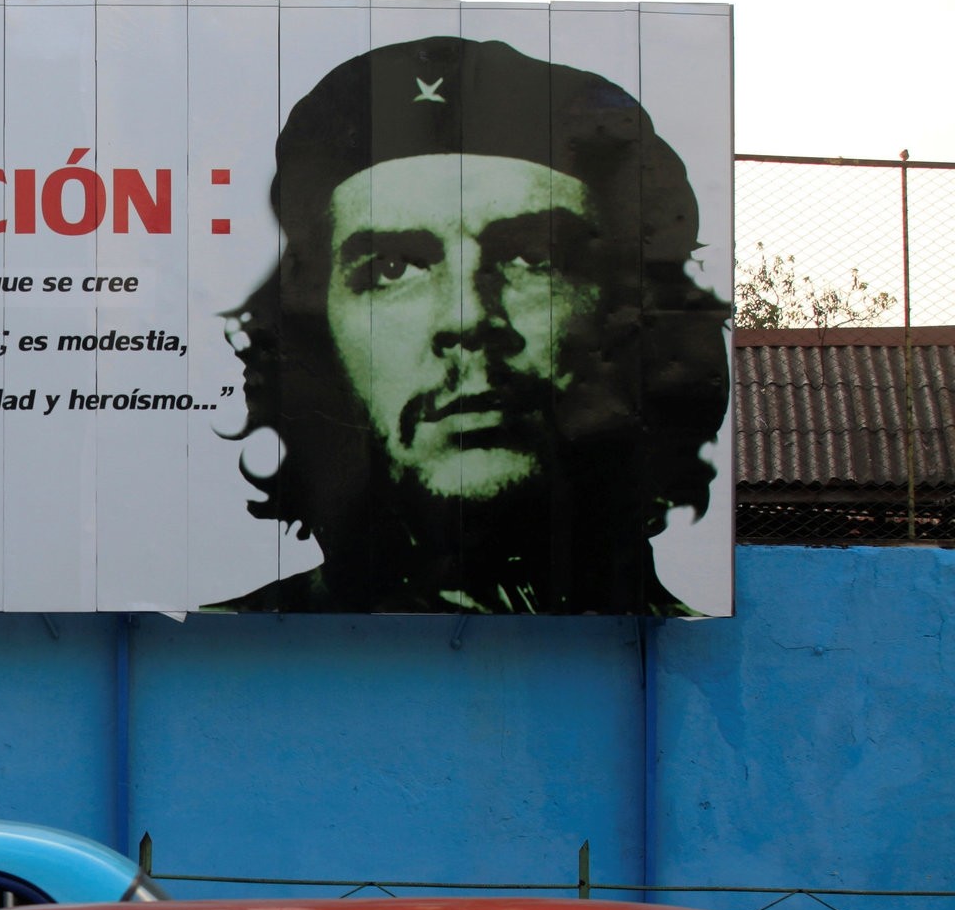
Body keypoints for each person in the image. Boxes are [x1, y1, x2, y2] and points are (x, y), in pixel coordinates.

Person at [215, 35, 731, 615]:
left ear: (636, 318)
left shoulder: (683, 650)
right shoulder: (223, 647)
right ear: (313, 337)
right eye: (392, 269)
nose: (468, 317)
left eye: (534, 258)